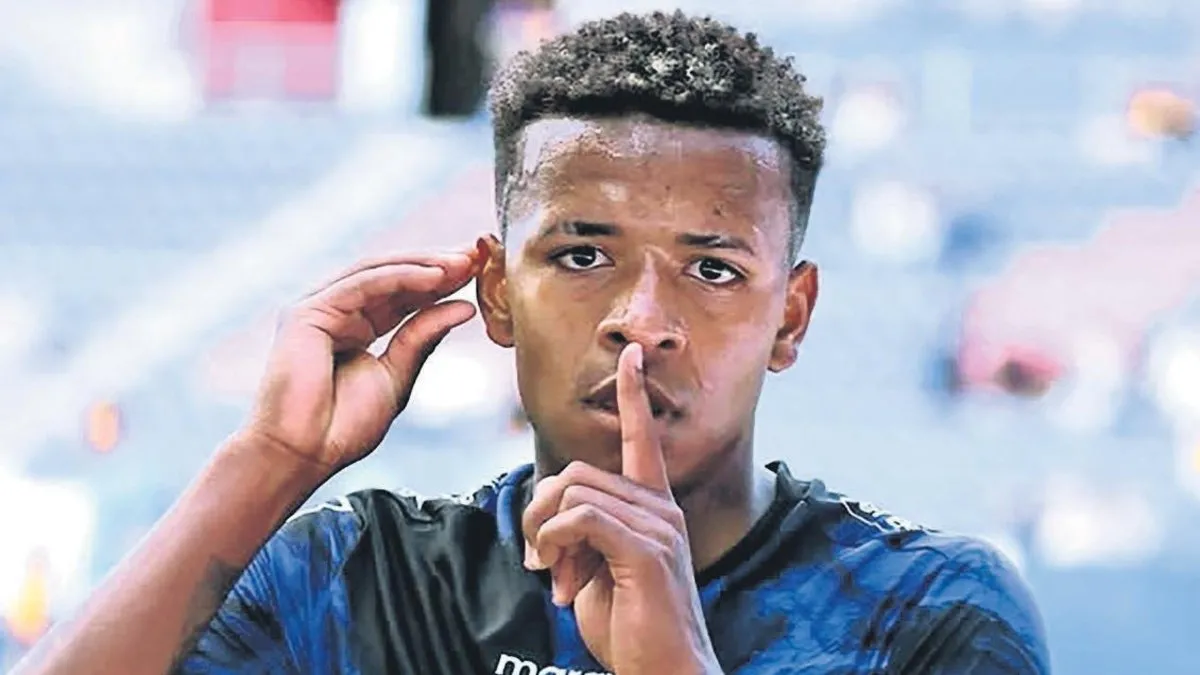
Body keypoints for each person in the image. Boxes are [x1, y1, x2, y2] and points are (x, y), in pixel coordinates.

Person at [14, 10, 1050, 675]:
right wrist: (266, 463)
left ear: (792, 315)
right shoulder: (362, 578)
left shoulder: (928, 613)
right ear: (497, 295)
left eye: (713, 269)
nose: (641, 318)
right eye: (584, 254)